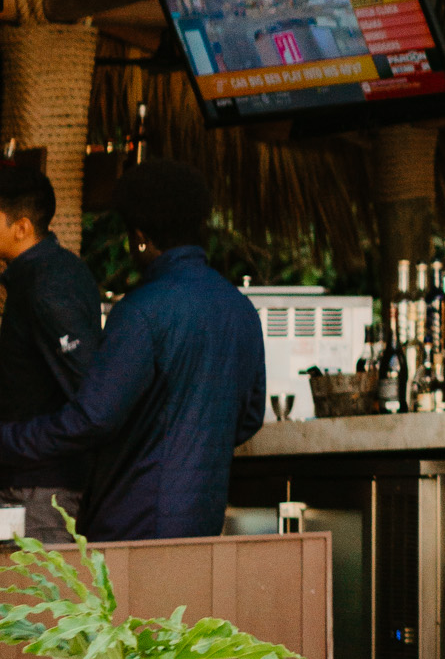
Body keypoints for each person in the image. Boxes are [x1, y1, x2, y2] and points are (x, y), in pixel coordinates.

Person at [0, 158, 265, 541]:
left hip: (132, 517)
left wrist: (6, 441)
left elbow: (93, 418)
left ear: (140, 236)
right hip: (203, 519)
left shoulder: (141, 311)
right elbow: (249, 416)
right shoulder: (241, 310)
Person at [0, 159, 101, 544]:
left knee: (38, 601)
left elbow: (89, 400)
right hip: (33, 483)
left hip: (41, 492)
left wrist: (11, 442)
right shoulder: (44, 274)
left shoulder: (49, 285)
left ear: (21, 227)